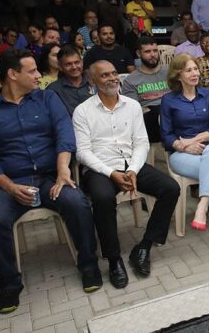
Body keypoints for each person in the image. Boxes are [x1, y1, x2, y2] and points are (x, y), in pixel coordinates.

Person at [0, 49, 101, 313]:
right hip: (7, 183)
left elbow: (65, 134)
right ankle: (9, 283)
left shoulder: (47, 98)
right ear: (12, 74)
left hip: (49, 178)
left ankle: (89, 265)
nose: (39, 75)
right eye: (32, 71)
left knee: (77, 202)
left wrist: (63, 170)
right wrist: (9, 187)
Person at [73, 60, 180, 288]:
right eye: (105, 75)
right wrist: (111, 173)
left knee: (170, 188)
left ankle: (144, 246)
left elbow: (141, 142)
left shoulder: (132, 106)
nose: (112, 78)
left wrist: (132, 169)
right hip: (100, 168)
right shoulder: (82, 111)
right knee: (102, 198)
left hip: (131, 164)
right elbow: (82, 153)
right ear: (92, 81)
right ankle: (113, 259)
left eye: (114, 74)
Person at [160, 54, 209, 241]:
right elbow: (166, 135)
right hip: (181, 154)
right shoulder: (169, 100)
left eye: (195, 69)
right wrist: (183, 147)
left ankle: (203, 206)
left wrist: (193, 140)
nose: (194, 73)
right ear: (178, 75)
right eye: (188, 70)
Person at [121, 36, 170, 144]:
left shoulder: (170, 72)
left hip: (173, 110)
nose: (152, 54)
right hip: (150, 116)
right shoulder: (131, 80)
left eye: (155, 51)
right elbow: (132, 109)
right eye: (147, 51)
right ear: (139, 54)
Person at [46, 45, 93, 116]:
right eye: (68, 64)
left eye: (77, 62)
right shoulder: (53, 90)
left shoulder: (94, 83)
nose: (74, 67)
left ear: (82, 62)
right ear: (60, 67)